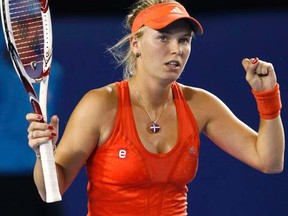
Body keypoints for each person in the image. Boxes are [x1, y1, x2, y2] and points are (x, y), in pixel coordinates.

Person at [26, 0, 285, 215]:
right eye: (163, 37)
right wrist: (43, 153)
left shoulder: (201, 105)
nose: (177, 49)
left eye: (184, 40)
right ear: (135, 44)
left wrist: (267, 98)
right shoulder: (100, 105)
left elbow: (269, 161)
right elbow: (52, 190)